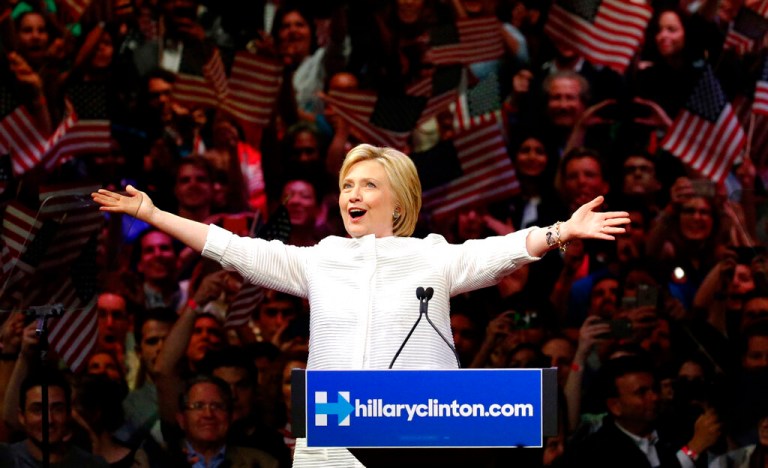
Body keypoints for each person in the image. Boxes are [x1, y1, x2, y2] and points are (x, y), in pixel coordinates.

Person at [92, 143, 629, 467]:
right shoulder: (320, 259)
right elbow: (235, 248)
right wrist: (155, 214)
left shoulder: (433, 257)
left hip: (420, 430)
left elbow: (503, 251)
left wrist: (562, 231)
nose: (352, 193)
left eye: (368, 184)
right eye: (347, 184)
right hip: (335, 433)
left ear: (398, 200)